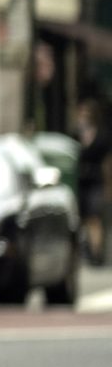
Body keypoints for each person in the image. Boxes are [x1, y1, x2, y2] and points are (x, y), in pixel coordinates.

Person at [77, 97, 109, 266]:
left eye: (87, 113)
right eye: (82, 113)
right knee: (82, 219)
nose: (84, 116)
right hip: (80, 181)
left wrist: (108, 186)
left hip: (96, 181)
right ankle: (86, 250)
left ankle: (97, 253)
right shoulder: (77, 134)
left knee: (94, 218)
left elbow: (107, 163)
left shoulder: (102, 135)